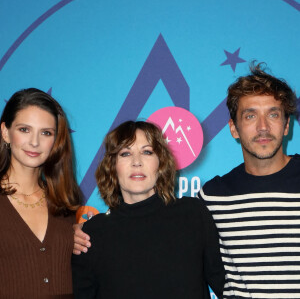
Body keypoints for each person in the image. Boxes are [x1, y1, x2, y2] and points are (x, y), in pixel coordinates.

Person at [72, 120, 225, 299]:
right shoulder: (91, 234)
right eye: (125, 153)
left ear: (160, 164)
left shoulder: (193, 214)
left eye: (147, 152)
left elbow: (226, 286)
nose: (137, 162)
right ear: (112, 166)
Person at [198, 63, 299, 298]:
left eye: (273, 114)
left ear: (286, 125)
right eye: (250, 115)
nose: (263, 127)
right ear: (234, 128)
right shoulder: (213, 197)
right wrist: (94, 239)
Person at [0, 88, 82, 298]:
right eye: (24, 129)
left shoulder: (65, 202)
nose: (35, 142)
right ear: (5, 132)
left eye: (46, 132)